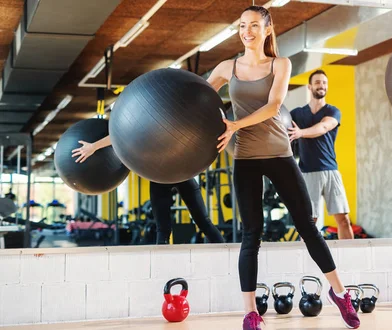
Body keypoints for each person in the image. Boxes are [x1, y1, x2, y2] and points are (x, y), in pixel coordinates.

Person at [206, 6, 360, 330]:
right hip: (245, 158)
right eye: (241, 25)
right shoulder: (226, 67)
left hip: (279, 154)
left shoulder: (281, 64)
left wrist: (235, 124)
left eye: (253, 25)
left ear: (267, 28)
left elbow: (274, 105)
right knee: (251, 235)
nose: (246, 31)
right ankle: (250, 313)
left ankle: (340, 292)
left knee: (308, 227)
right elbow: (197, 100)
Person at [71, 136, 225, 245]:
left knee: (203, 222)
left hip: (182, 172)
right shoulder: (144, 124)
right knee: (163, 230)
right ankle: (160, 267)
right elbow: (120, 135)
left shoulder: (174, 116)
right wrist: (93, 146)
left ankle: (226, 256)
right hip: (159, 177)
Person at [288, 70, 354, 239]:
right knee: (310, 221)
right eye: (317, 82)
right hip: (309, 172)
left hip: (331, 170)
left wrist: (301, 133)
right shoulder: (297, 114)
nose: (321, 86)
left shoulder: (333, 112)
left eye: (324, 82)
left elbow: (323, 127)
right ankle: (307, 259)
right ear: (310, 86)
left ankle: (351, 258)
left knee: (344, 219)